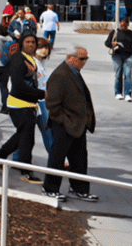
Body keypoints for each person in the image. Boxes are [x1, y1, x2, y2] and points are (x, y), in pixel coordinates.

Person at [43, 45, 98, 204]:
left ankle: (79, 189)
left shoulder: (74, 72)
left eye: (86, 58)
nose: (84, 62)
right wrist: (64, 120)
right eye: (81, 59)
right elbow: (52, 103)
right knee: (57, 158)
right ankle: (50, 188)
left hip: (78, 125)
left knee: (79, 159)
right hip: (64, 125)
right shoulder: (60, 75)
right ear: (70, 58)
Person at [0, 33, 43, 181]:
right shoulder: (18, 59)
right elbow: (18, 85)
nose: (31, 44)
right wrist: (41, 94)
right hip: (19, 104)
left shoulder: (29, 58)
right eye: (27, 42)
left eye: (33, 42)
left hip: (28, 103)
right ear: (21, 43)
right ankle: (25, 171)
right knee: (27, 139)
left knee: (22, 135)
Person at [105, 16, 132, 101]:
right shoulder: (114, 32)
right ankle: (118, 93)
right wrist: (112, 45)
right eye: (121, 25)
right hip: (117, 55)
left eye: (125, 25)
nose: (123, 27)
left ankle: (128, 94)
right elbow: (107, 43)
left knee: (128, 74)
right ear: (119, 24)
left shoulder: (131, 33)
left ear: (128, 25)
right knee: (118, 74)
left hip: (129, 55)